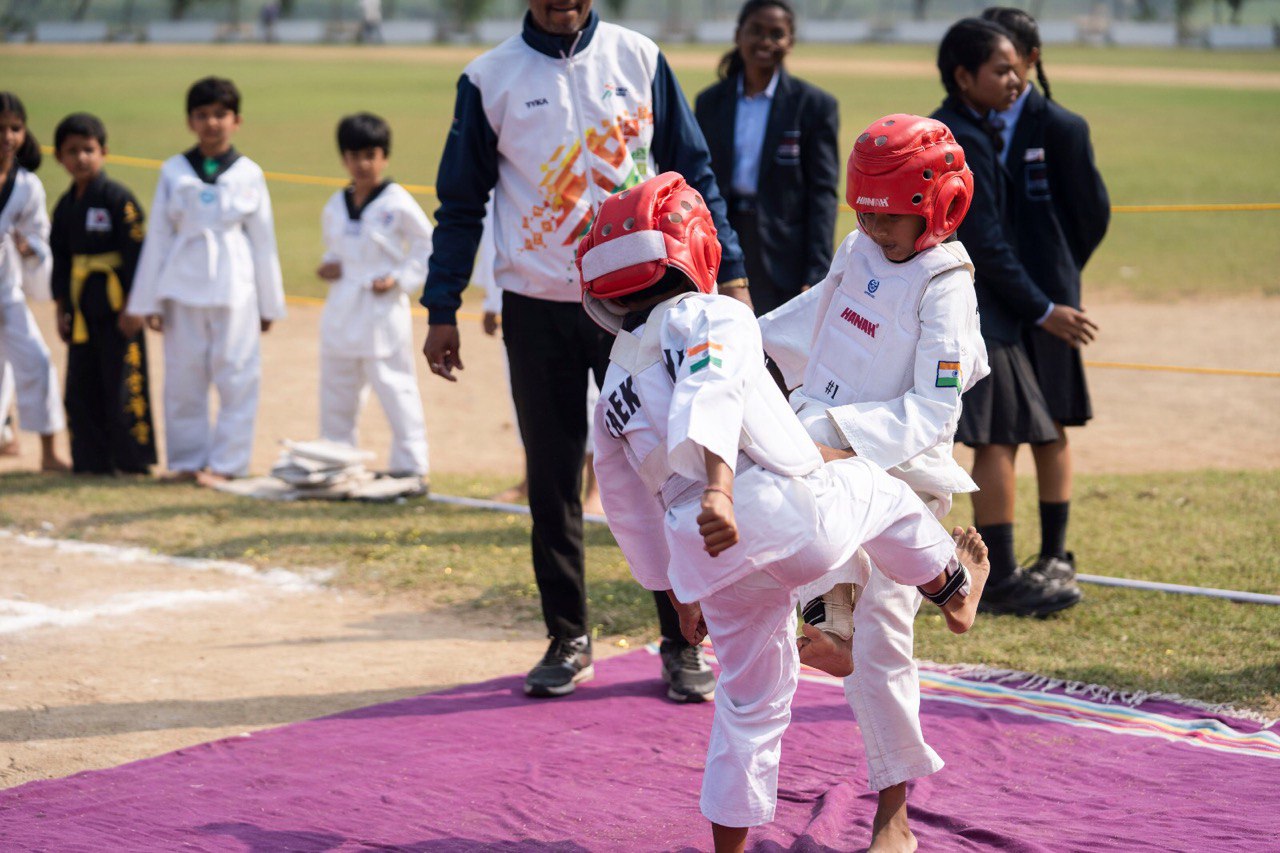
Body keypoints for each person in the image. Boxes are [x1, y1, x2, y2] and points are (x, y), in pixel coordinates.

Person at [581, 173, 989, 853]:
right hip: (772, 502)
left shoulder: (615, 384)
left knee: (745, 708)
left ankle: (733, 845)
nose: (872, 228)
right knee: (878, 492)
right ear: (693, 250)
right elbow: (712, 385)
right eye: (865, 214)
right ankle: (952, 584)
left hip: (705, 551)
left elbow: (624, 501)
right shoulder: (714, 316)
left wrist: (680, 590)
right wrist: (718, 485)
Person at [420, 0, 752, 701]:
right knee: (552, 476)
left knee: (670, 469)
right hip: (538, 305)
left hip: (639, 302)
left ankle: (682, 640)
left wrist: (734, 271)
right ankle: (568, 635)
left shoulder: (639, 59)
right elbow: (460, 200)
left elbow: (694, 170)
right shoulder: (489, 79)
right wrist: (442, 304)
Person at [759, 114, 989, 852]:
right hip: (823, 452)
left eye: (890, 219)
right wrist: (742, 342)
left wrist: (836, 438)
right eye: (864, 213)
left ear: (942, 205)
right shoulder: (858, 247)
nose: (875, 229)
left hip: (901, 478)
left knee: (884, 646)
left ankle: (895, 814)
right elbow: (814, 317)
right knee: (798, 551)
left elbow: (933, 410)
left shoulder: (946, 285)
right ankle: (836, 615)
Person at [931, 19, 1085, 616]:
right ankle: (997, 579)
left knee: (1003, 436)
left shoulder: (958, 127)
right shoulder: (964, 138)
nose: (1013, 78)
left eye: (1016, 67)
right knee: (996, 439)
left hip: (979, 309)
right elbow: (987, 246)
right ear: (965, 76)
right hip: (986, 315)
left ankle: (993, 570)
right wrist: (1043, 309)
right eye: (1000, 69)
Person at [980, 6, 1110, 584]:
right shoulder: (970, 126)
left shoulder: (1062, 127)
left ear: (1030, 60)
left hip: (1053, 303)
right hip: (993, 301)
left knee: (1052, 425)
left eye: (1010, 59)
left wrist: (1056, 274)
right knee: (998, 428)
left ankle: (1056, 552)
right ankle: (995, 562)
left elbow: (1090, 216)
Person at [122, 76, 286, 486]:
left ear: (236, 120)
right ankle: (187, 461)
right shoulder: (174, 171)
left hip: (236, 288)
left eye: (220, 115)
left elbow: (263, 241)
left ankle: (228, 464)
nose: (212, 123)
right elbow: (158, 236)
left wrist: (269, 305)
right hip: (182, 288)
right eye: (202, 115)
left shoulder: (249, 173)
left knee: (237, 376)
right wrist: (148, 303)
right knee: (183, 379)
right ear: (190, 121)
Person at [694, 0, 839, 315]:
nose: (765, 42)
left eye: (776, 34)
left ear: (790, 42)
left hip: (783, 252)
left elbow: (822, 195)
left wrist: (817, 272)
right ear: (738, 35)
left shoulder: (814, 106)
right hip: (721, 238)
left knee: (775, 353)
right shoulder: (709, 103)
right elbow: (696, 179)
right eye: (756, 31)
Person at [316, 113, 432, 483]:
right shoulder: (335, 203)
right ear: (343, 158)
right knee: (337, 388)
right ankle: (336, 460)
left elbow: (426, 246)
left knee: (395, 386)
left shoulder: (396, 202)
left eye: (370, 154)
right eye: (354, 155)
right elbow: (336, 250)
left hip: (382, 307)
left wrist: (399, 279)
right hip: (342, 306)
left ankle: (410, 465)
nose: (363, 164)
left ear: (384, 156)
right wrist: (329, 265)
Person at [48, 112, 157, 476]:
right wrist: (61, 308)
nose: (81, 158)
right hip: (82, 310)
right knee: (81, 386)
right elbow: (60, 262)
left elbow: (138, 254)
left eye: (88, 150)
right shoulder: (65, 207)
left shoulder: (117, 198)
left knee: (123, 384)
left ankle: (132, 461)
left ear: (104, 152)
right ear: (58, 157)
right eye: (72, 151)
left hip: (118, 307)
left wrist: (136, 305)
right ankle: (91, 461)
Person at [0, 91, 69, 473]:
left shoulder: (28, 187)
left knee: (38, 363)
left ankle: (48, 453)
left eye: (15, 128)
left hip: (7, 295)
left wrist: (29, 250)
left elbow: (42, 242)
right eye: (0, 128)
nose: (7, 136)